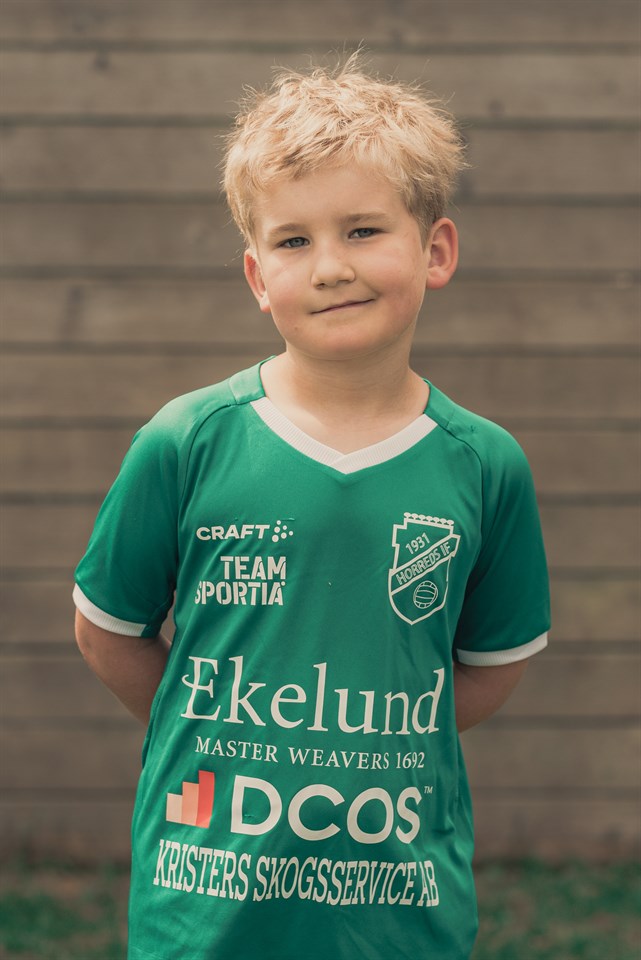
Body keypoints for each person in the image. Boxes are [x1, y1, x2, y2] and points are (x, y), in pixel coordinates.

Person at [74, 57, 550, 960]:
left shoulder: (484, 465)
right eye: (293, 242)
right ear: (258, 277)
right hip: (204, 914)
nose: (330, 267)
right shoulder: (185, 441)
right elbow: (107, 634)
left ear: (435, 250)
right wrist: (218, 736)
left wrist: (352, 749)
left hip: (397, 913)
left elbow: (491, 666)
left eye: (363, 230)